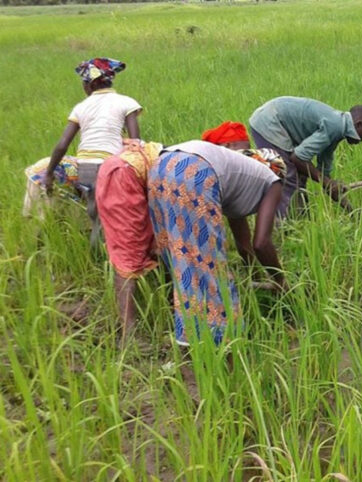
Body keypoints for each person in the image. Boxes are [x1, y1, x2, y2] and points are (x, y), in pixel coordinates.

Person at [147, 139, 286, 346]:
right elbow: (261, 243)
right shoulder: (273, 180)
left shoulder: (235, 172)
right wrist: (282, 284)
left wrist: (253, 275)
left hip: (160, 167)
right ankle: (221, 344)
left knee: (175, 253)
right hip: (195, 173)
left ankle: (178, 318)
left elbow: (244, 243)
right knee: (210, 267)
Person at [24, 57, 142, 228]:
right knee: (111, 212)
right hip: (113, 167)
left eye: (83, 84)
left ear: (90, 85)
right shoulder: (126, 102)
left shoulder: (81, 106)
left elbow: (62, 144)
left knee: (92, 206)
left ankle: (48, 223)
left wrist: (49, 173)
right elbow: (135, 141)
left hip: (84, 168)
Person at [248, 96, 362, 217]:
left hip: (273, 118)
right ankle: (286, 228)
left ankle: (301, 220)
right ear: (358, 124)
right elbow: (297, 158)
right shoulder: (335, 125)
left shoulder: (338, 127)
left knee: (301, 176)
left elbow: (324, 168)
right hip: (269, 122)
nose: (361, 140)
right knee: (287, 177)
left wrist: (337, 194)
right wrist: (326, 182)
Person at [95, 139, 163, 341]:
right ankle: (128, 333)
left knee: (155, 238)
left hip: (124, 170)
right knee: (129, 249)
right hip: (124, 176)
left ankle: (163, 301)